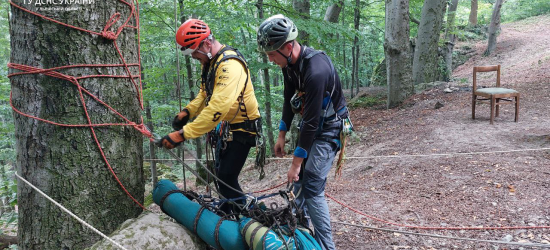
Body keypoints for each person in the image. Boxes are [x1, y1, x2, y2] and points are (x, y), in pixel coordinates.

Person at [257, 14, 351, 250]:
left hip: (330, 128)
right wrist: (281, 134)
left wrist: (296, 164)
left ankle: (327, 246)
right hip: (312, 127)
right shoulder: (289, 65)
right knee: (299, 186)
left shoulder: (316, 70)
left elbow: (310, 122)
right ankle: (302, 234)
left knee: (311, 184)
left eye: (272, 54)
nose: (270, 59)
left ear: (288, 47)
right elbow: (289, 101)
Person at [158, 18, 262, 214]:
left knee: (227, 177)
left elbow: (217, 108)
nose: (195, 58)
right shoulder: (210, 63)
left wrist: (183, 134)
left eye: (195, 54)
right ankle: (230, 210)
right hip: (228, 127)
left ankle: (251, 216)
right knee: (221, 175)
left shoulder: (230, 66)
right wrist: (187, 111)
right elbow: (205, 93)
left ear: (206, 43)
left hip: (244, 128)